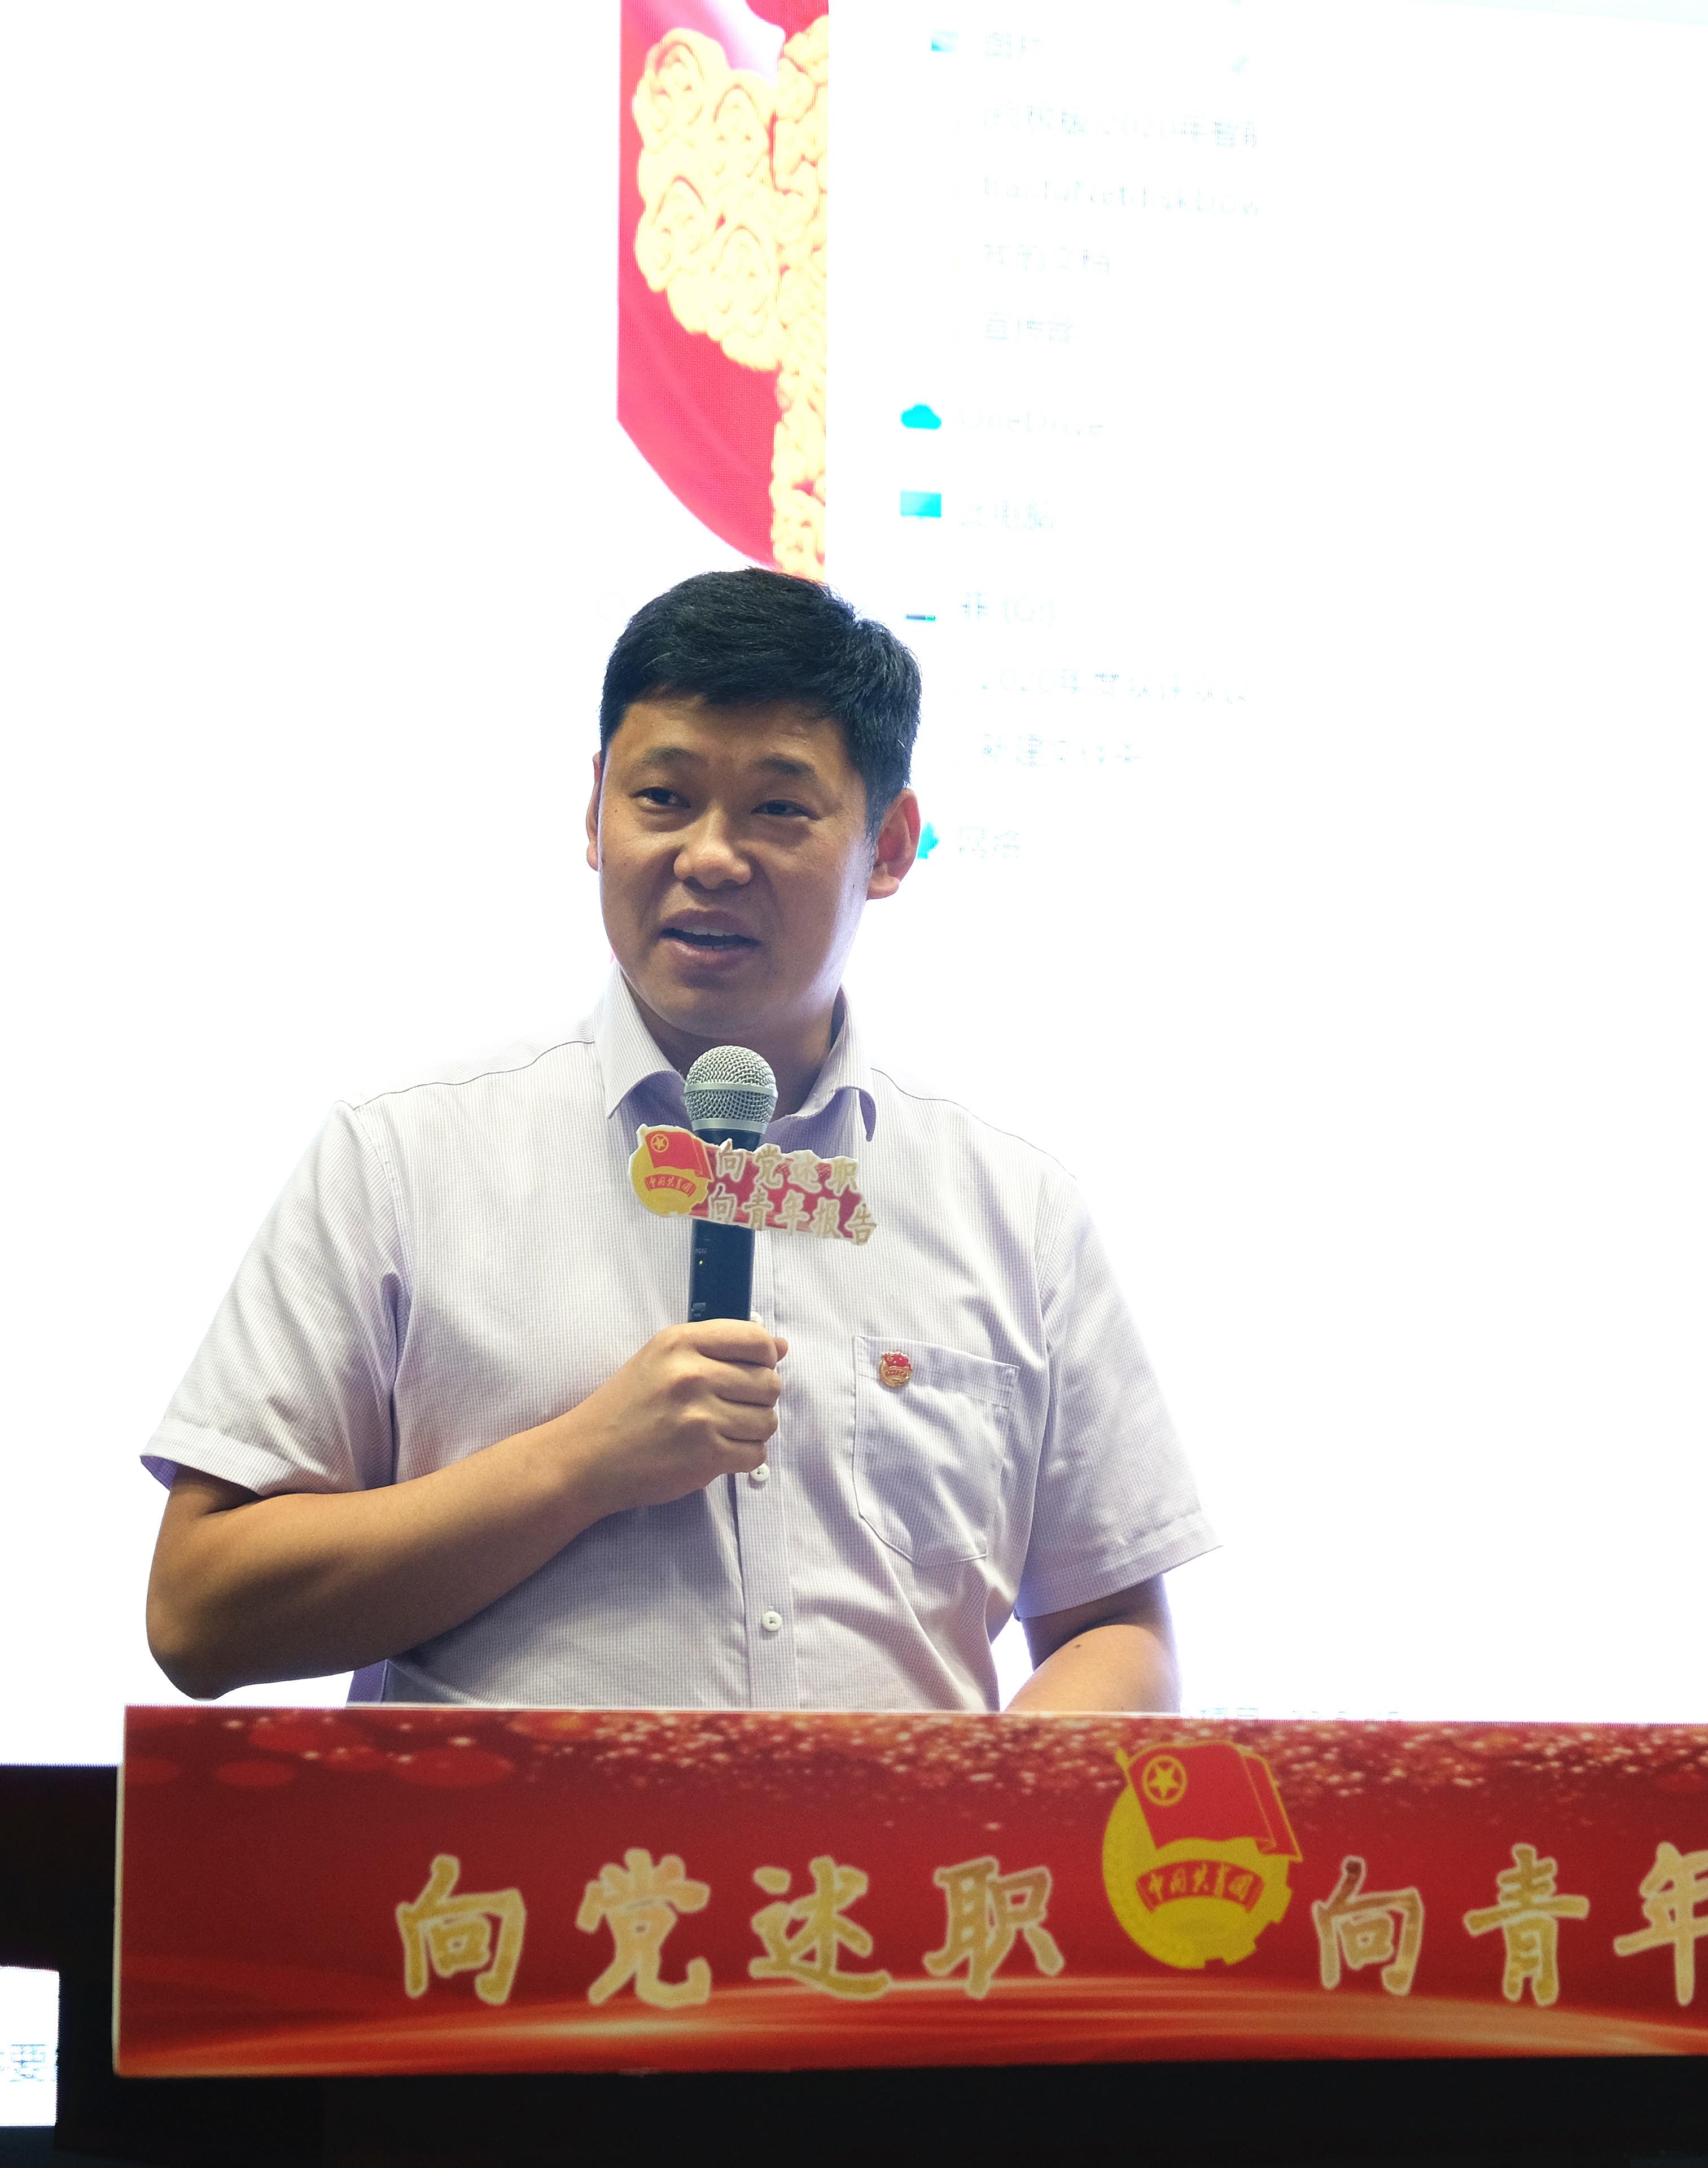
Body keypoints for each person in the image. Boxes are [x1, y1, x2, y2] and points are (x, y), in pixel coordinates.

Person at [139, 569, 1211, 1712]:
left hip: (880, 1841)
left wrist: (968, 1796)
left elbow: (1114, 1630)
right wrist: (578, 1464)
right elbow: (200, 1615)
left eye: (778, 809)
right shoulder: (405, 1154)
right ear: (594, 813)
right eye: (662, 797)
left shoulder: (1012, 1206)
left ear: (891, 845)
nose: (709, 855)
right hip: (514, 1840)